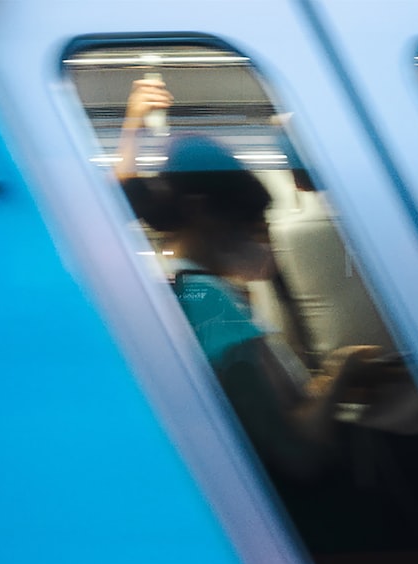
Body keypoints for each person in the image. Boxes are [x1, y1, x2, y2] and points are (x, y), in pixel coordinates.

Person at [114, 77, 384, 487]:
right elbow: (297, 455)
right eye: (252, 227)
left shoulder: (187, 289)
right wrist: (343, 370)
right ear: (206, 214)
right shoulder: (210, 304)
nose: (261, 243)